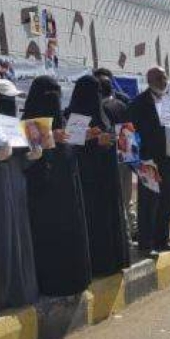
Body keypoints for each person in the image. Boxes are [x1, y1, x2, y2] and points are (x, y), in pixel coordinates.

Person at [22, 76, 92, 295]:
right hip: (43, 194)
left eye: (56, 95)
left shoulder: (63, 120)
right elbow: (27, 156)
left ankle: (75, 278)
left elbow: (73, 151)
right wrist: (50, 136)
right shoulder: (28, 123)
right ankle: (52, 283)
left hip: (68, 192)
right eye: (48, 95)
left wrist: (86, 137)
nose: (53, 100)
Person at [0, 79, 39, 308]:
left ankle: (22, 289)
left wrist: (32, 157)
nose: (12, 103)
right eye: (7, 99)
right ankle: (3, 294)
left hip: (16, 188)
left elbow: (22, 163)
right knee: (3, 240)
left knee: (21, 239)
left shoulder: (17, 125)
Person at [66, 75, 131, 277]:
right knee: (94, 221)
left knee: (110, 217)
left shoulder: (103, 113)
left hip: (107, 176)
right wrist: (95, 141)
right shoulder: (74, 115)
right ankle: (98, 263)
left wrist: (111, 140)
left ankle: (114, 259)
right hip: (88, 179)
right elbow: (72, 146)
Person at [129, 67, 170, 254]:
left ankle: (162, 240)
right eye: (159, 78)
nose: (163, 81)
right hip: (150, 162)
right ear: (149, 80)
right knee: (149, 204)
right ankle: (146, 245)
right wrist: (141, 160)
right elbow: (131, 133)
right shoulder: (138, 103)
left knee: (168, 202)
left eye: (165, 77)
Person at [95, 67, 136, 241]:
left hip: (110, 160)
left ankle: (124, 236)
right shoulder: (122, 103)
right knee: (126, 199)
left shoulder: (101, 107)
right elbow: (129, 132)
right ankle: (129, 232)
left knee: (117, 200)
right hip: (125, 156)